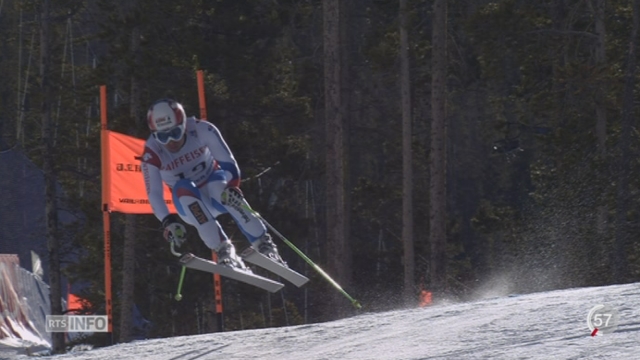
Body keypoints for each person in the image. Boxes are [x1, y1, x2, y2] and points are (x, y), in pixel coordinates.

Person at [140, 98, 282, 269]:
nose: (170, 141)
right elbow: (154, 194)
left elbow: (228, 162)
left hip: (216, 191)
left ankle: (264, 244)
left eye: (175, 133)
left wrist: (233, 185)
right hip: (190, 205)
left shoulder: (201, 129)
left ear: (184, 124)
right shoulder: (152, 152)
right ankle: (223, 250)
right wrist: (168, 222)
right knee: (183, 188)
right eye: (163, 136)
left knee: (219, 186)